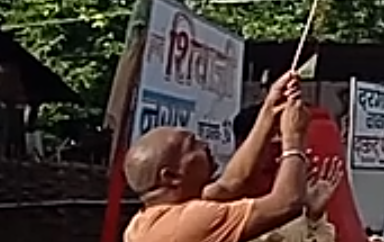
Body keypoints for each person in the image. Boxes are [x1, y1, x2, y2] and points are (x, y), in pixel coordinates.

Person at [124, 72, 311, 242]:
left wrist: (269, 109)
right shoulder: (191, 222)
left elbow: (231, 183)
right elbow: (287, 203)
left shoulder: (147, 220)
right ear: (171, 176)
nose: (205, 145)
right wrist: (294, 137)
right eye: (193, 145)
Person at [229, 102, 349, 242]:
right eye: (273, 135)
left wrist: (313, 217)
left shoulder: (297, 191)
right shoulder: (225, 200)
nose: (280, 143)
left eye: (283, 134)